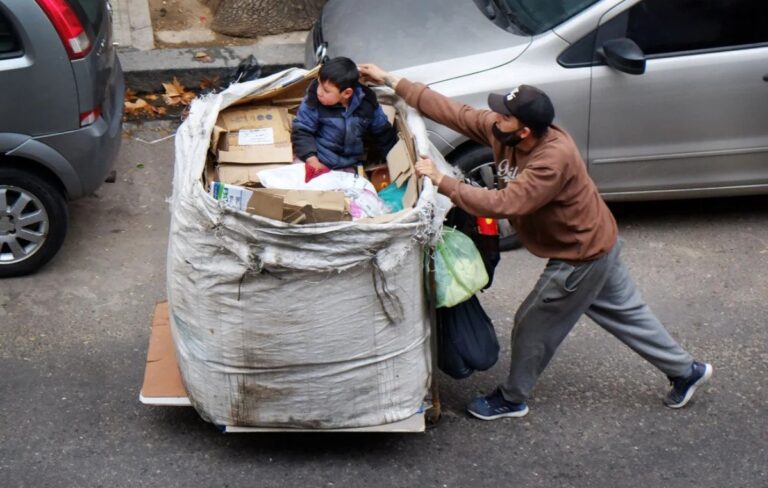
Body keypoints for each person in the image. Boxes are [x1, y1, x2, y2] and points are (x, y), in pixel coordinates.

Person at [358, 63, 713, 420]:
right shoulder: (505, 131)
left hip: (579, 254)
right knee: (629, 315)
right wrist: (390, 79)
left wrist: (442, 181)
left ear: (525, 130)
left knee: (532, 325)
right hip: (598, 242)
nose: (495, 117)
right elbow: (457, 113)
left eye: (504, 115)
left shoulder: (551, 159)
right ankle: (687, 371)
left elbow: (505, 204)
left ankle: (512, 398)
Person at [292, 57, 397, 182]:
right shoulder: (313, 100)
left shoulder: (367, 103)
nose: (319, 91)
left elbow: (383, 134)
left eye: (326, 90)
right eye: (319, 83)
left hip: (349, 166)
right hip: (317, 159)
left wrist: (392, 162)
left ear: (346, 93)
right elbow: (302, 130)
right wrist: (311, 160)